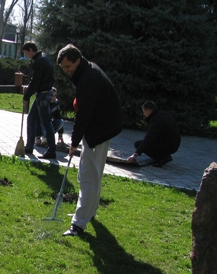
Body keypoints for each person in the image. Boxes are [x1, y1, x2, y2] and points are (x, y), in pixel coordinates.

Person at [57, 44, 123, 237]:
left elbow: (83, 115)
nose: (66, 71)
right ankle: (89, 212)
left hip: (99, 130)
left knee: (87, 177)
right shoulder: (88, 70)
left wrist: (74, 142)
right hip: (102, 127)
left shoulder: (88, 79)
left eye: (68, 67)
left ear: (77, 60)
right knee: (92, 174)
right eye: (63, 68)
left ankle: (78, 224)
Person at [21, 42, 57, 159]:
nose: (27, 56)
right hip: (44, 93)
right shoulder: (44, 58)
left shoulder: (39, 62)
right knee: (31, 119)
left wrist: (26, 97)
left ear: (31, 50)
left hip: (43, 95)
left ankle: (51, 150)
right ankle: (29, 146)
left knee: (46, 123)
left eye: (27, 53)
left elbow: (35, 82)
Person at [126, 101, 181, 167]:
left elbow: (148, 139)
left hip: (168, 145)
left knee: (138, 144)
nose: (143, 114)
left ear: (148, 110)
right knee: (146, 144)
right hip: (175, 143)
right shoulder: (163, 114)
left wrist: (135, 154)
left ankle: (162, 157)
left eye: (144, 111)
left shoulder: (156, 121)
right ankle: (164, 155)